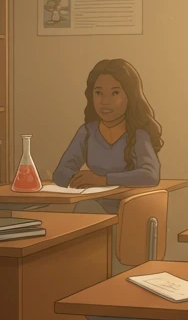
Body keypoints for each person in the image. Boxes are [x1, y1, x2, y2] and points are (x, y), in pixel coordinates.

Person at [51, 58, 162, 213]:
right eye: (98, 93)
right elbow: (60, 173)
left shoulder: (138, 135)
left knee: (86, 211)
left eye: (114, 93)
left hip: (129, 210)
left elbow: (151, 175)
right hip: (93, 205)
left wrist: (103, 180)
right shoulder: (87, 132)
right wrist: (80, 179)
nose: (105, 101)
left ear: (130, 96)